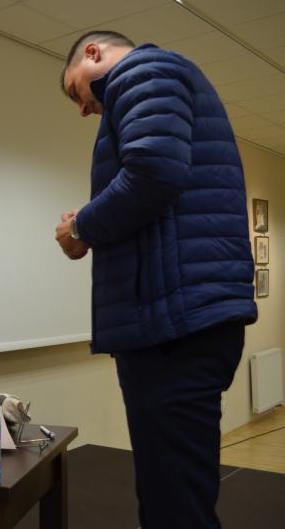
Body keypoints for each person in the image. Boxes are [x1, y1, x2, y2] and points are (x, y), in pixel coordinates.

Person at [55, 31, 257, 529]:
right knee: (173, 492)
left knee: (174, 504)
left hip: (174, 326)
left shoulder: (145, 71)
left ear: (93, 53)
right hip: (177, 320)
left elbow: (152, 173)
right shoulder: (153, 78)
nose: (82, 109)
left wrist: (81, 229)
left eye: (76, 91)